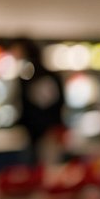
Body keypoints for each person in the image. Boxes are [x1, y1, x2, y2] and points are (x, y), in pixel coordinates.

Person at [13, 37, 64, 167]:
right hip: (39, 132)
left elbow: (49, 106)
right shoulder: (33, 75)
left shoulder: (36, 76)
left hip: (45, 133)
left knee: (46, 166)